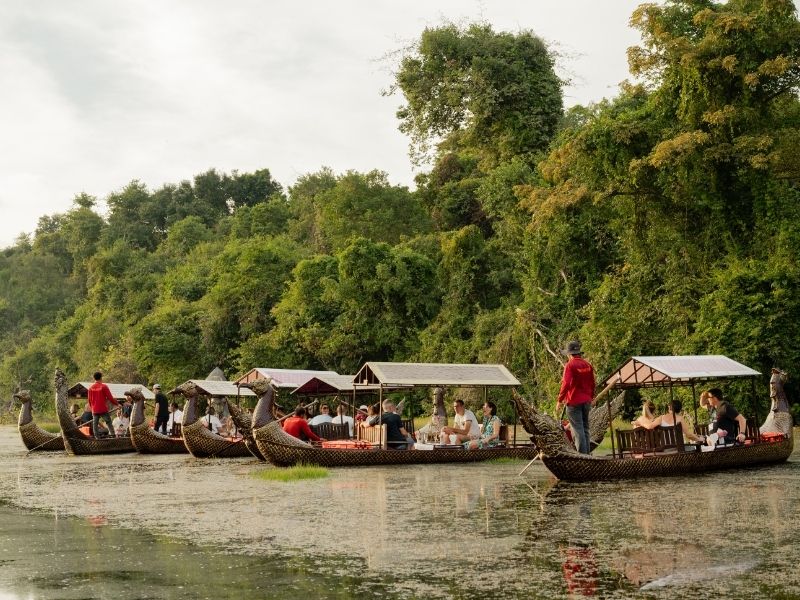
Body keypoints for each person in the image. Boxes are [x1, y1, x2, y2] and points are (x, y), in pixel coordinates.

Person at [556, 340, 596, 455]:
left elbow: (566, 383)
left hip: (573, 402)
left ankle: (582, 456)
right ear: (578, 353)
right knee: (585, 428)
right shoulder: (588, 365)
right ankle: (587, 454)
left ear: (569, 354)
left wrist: (559, 400)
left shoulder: (570, 365)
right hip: (586, 401)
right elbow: (593, 383)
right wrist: (591, 397)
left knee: (578, 429)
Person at [637, 400, 704, 443]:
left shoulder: (661, 418)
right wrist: (700, 439)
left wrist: (640, 423)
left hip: (664, 447)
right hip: (678, 447)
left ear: (669, 408)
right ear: (679, 409)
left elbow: (649, 426)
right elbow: (689, 435)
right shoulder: (680, 419)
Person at [88, 371, 119, 439]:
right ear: (101, 378)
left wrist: (92, 408)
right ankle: (113, 436)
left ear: (94, 378)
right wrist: (117, 404)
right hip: (103, 409)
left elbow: (89, 400)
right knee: (108, 422)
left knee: (95, 424)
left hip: (95, 410)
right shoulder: (104, 386)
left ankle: (97, 438)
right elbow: (110, 398)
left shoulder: (90, 388)